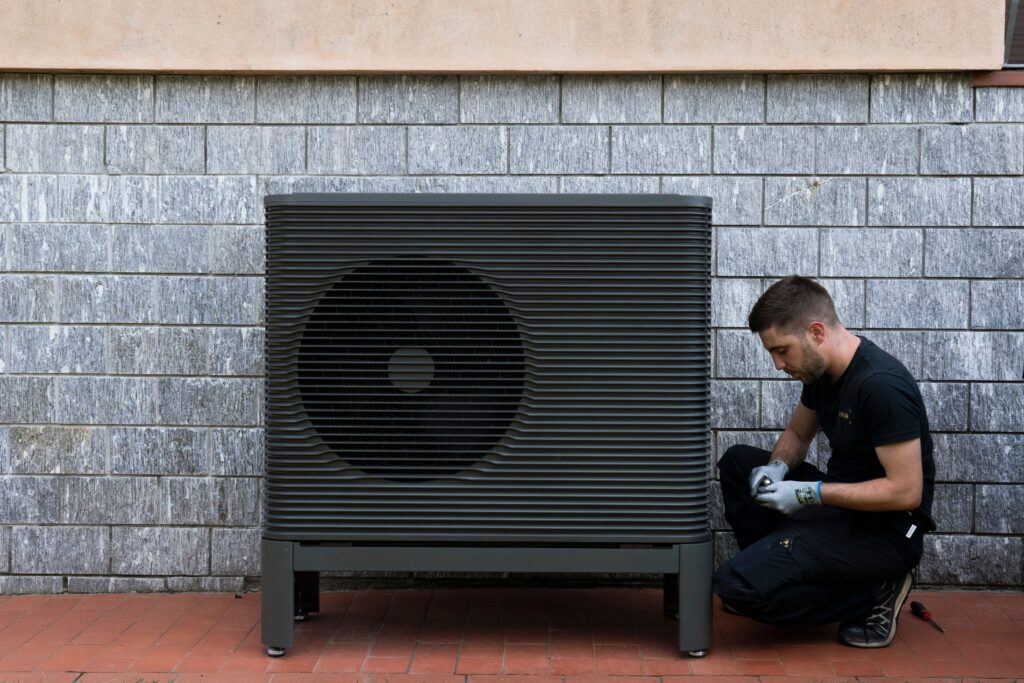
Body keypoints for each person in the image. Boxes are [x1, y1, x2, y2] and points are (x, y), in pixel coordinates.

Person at [712, 275, 936, 648]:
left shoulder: (881, 385)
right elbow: (798, 435)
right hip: (838, 508)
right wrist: (777, 468)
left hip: (886, 532)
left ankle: (874, 591)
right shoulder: (822, 373)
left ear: (816, 332)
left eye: (782, 350)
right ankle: (777, 566)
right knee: (738, 463)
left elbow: (906, 492)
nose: (778, 364)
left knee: (735, 587)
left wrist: (808, 493)